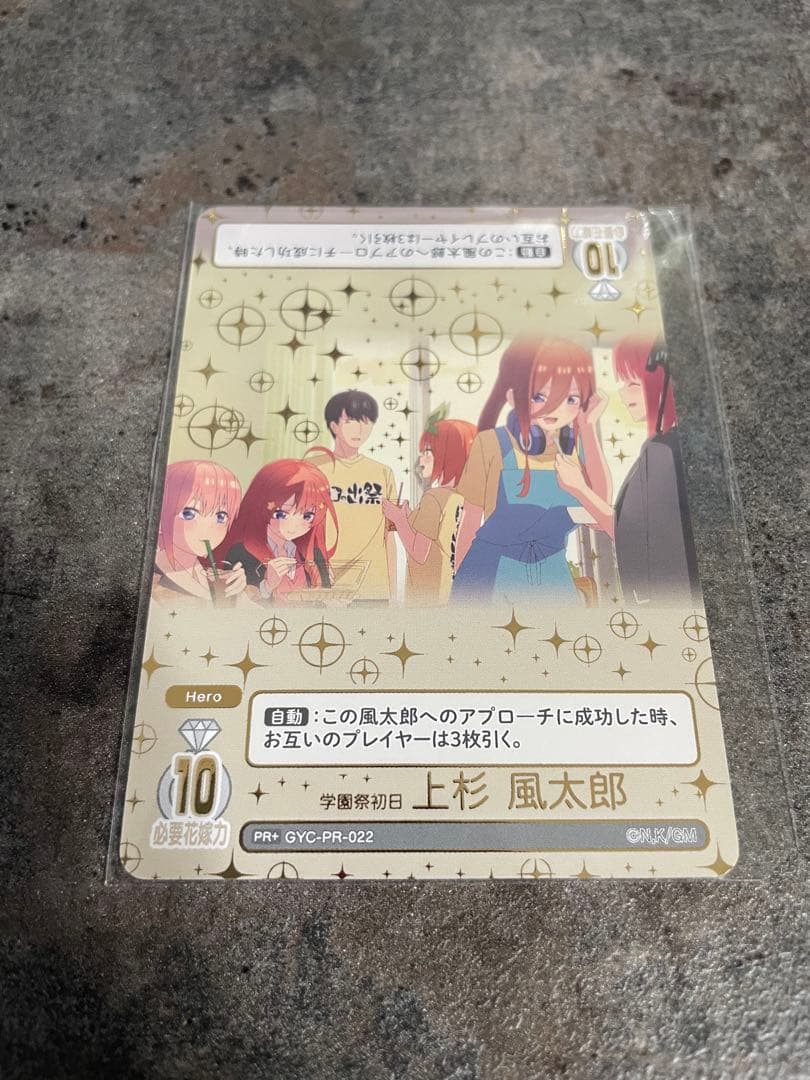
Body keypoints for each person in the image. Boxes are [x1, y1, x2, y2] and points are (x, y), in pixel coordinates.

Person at [452, 337, 613, 603]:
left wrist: (587, 427)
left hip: (554, 576)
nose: (556, 408)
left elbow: (600, 516)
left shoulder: (576, 447)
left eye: (571, 398)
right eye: (539, 396)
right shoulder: (492, 443)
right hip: (493, 573)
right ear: (513, 396)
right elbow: (470, 521)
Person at [611, 335, 700, 605]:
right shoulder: (672, 446)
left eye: (632, 383)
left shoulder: (662, 450)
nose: (622, 394)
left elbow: (664, 543)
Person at [309, 390, 398, 603]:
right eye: (350, 421)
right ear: (334, 426)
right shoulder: (312, 469)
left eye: (366, 422)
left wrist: (393, 593)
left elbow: (389, 536)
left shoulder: (383, 473)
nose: (359, 429)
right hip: (325, 587)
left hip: (373, 589)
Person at [382, 406, 476, 604]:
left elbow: (419, 553)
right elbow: (441, 538)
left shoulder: (433, 498)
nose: (421, 459)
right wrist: (409, 517)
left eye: (428, 452)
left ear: (448, 455)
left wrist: (398, 519)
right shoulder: (461, 498)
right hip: (447, 593)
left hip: (425, 598)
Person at [217, 456, 337, 602]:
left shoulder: (312, 554)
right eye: (282, 514)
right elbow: (231, 605)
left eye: (307, 516)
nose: (294, 526)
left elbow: (323, 602)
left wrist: (324, 585)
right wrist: (267, 586)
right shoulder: (242, 553)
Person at [153, 460, 246, 604]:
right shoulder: (152, 581)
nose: (208, 528)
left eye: (221, 516)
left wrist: (238, 592)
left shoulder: (201, 571)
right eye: (189, 514)